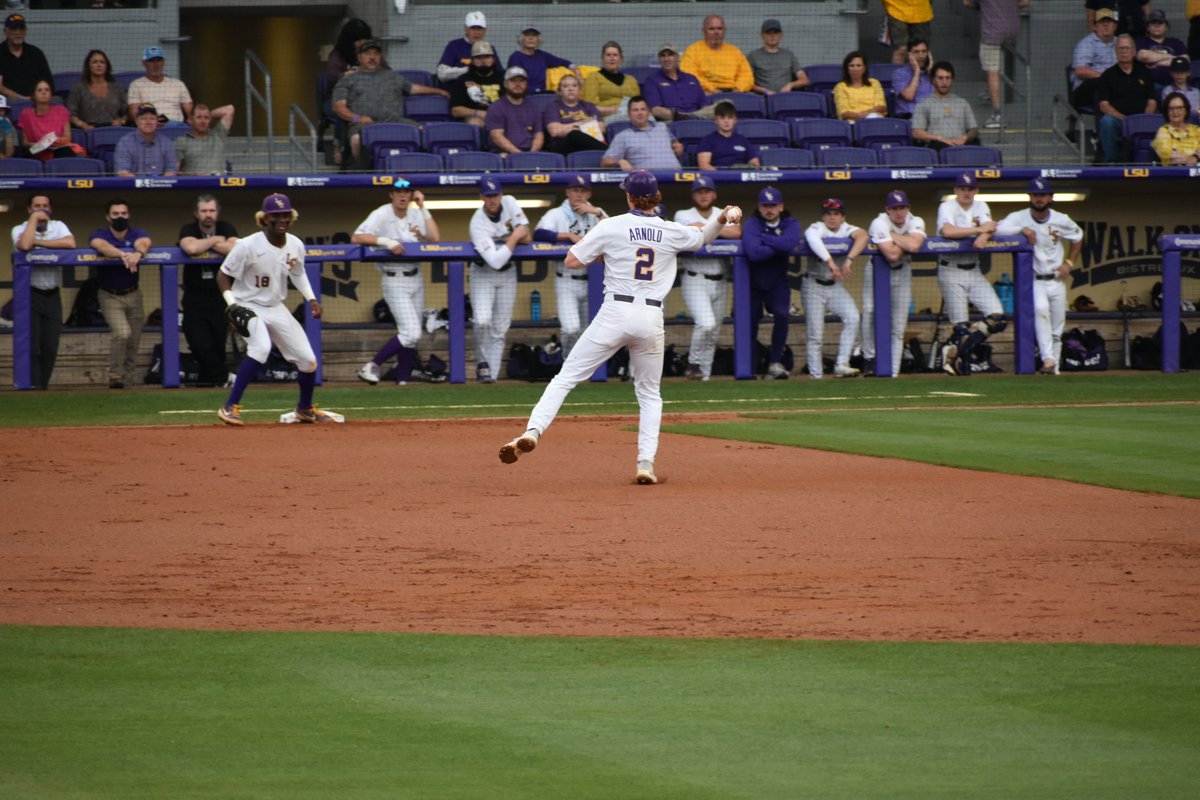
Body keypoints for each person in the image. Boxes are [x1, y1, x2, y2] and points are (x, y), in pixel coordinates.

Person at [498, 170, 741, 485]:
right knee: (649, 395)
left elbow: (572, 261)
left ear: (629, 196)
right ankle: (645, 465)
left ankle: (532, 431)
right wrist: (723, 216)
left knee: (566, 378)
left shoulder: (610, 225)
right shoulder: (669, 229)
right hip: (651, 316)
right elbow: (704, 237)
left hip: (615, 311)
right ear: (656, 198)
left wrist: (603, 256)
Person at [217, 194, 334, 425]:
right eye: (275, 215)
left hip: (275, 306)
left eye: (285, 215)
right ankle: (230, 407)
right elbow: (223, 276)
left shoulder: (296, 244)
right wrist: (232, 305)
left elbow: (298, 274)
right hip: (247, 304)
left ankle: (304, 409)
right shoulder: (248, 245)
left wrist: (311, 299)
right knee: (261, 347)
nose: (282, 219)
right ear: (264, 218)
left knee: (308, 360)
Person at [352, 177, 440, 386]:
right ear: (392, 194)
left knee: (410, 333)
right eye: (398, 192)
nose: (402, 195)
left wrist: (423, 206)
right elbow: (357, 237)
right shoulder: (382, 213)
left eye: (407, 192)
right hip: (394, 278)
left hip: (415, 276)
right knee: (411, 332)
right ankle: (372, 365)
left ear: (411, 195)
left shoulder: (416, 213)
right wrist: (387, 242)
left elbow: (435, 238)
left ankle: (402, 380)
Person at [995, 178, 1084, 375]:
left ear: (1051, 197)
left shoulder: (1061, 219)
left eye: (1043, 195)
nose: (1039, 199)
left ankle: (1054, 369)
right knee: (1040, 310)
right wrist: (1022, 230)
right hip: (1035, 279)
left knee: (1057, 327)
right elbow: (998, 228)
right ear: (1030, 197)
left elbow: (1078, 236)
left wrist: (1069, 263)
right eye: (1036, 195)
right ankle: (1048, 358)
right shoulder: (1020, 217)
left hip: (1057, 279)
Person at [934, 173, 1008, 376]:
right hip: (950, 270)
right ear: (956, 190)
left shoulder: (981, 205)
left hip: (973, 270)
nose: (966, 192)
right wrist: (978, 230)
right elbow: (947, 231)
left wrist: (984, 234)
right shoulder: (947, 206)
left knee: (998, 318)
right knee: (960, 328)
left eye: (970, 189)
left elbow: (991, 226)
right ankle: (959, 364)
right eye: (962, 189)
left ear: (976, 191)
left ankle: (952, 350)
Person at [333, 39, 447, 166]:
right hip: (364, 123)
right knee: (356, 139)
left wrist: (439, 91)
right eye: (368, 54)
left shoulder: (392, 75)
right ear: (359, 57)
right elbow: (338, 107)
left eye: (376, 54)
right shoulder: (348, 80)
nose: (372, 57)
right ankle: (363, 170)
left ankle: (422, 167)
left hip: (396, 121)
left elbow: (413, 88)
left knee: (425, 131)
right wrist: (357, 118)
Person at [673, 175, 742, 381]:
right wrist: (719, 227)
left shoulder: (723, 211)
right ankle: (693, 362)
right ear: (693, 195)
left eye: (707, 191)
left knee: (714, 332)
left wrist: (707, 227)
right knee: (706, 323)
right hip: (695, 278)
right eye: (699, 192)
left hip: (720, 280)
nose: (703, 195)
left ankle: (704, 376)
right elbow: (689, 231)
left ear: (714, 194)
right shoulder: (682, 214)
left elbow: (736, 232)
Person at [533, 173, 609, 357]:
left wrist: (598, 212)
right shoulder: (557, 214)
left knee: (590, 330)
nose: (579, 194)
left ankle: (584, 369)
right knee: (571, 328)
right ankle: (568, 362)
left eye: (583, 191)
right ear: (568, 192)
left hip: (594, 280)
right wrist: (566, 236)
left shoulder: (596, 213)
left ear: (589, 194)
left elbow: (615, 231)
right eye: (575, 190)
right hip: (566, 280)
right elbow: (539, 234)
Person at [469, 176, 530, 384]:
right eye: (488, 196)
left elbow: (528, 235)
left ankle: (491, 376)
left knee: (500, 326)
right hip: (484, 273)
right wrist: (514, 237)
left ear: (501, 195)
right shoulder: (477, 222)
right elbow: (495, 260)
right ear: (482, 197)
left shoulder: (510, 202)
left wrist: (510, 240)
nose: (493, 199)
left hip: (508, 272)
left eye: (495, 195)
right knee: (482, 320)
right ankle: (482, 364)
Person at [12, 194, 75, 390]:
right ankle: (31, 385)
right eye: (37, 206)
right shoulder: (20, 228)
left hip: (52, 294)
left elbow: (70, 244)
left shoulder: (58, 226)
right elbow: (24, 245)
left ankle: (42, 388)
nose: (41, 209)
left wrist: (39, 244)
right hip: (28, 295)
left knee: (50, 346)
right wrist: (34, 220)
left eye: (45, 206)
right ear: (29, 209)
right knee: (31, 346)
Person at [89, 199, 152, 390]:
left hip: (133, 294)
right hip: (109, 295)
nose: (120, 217)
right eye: (116, 214)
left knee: (134, 340)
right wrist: (123, 254)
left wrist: (138, 253)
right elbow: (99, 245)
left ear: (128, 215)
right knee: (122, 333)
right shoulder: (101, 234)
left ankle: (129, 380)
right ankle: (115, 376)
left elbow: (145, 242)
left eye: (123, 214)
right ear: (108, 217)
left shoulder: (136, 233)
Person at [802, 198, 868, 380]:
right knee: (815, 334)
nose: (832, 217)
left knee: (853, 317)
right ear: (823, 216)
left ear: (842, 217)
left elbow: (863, 236)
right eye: (828, 214)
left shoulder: (847, 228)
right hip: (813, 285)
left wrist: (850, 259)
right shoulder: (817, 227)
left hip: (834, 287)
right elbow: (812, 238)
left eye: (836, 214)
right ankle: (816, 376)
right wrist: (831, 263)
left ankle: (841, 364)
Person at [178, 195, 240, 387]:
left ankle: (209, 385)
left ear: (217, 212)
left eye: (211, 211)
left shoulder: (226, 227)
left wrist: (209, 243)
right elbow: (191, 247)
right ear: (197, 214)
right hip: (195, 297)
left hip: (220, 296)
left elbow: (237, 248)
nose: (208, 215)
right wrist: (215, 241)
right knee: (199, 343)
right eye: (204, 211)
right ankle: (225, 377)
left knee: (218, 345)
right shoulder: (189, 229)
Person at [863, 190, 926, 378]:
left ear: (908, 208)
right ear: (887, 210)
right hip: (877, 270)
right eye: (895, 208)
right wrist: (905, 240)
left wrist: (892, 237)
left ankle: (893, 372)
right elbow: (891, 256)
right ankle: (869, 357)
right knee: (869, 310)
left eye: (903, 208)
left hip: (903, 271)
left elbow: (913, 247)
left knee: (898, 325)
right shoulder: (879, 222)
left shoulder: (916, 220)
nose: (899, 212)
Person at [743, 186, 801, 380]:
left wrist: (765, 239)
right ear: (759, 207)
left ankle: (775, 363)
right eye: (765, 205)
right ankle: (749, 367)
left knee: (783, 315)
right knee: (749, 323)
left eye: (773, 205)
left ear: (781, 206)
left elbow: (789, 244)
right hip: (752, 282)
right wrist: (779, 244)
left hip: (778, 282)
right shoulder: (752, 223)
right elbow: (754, 253)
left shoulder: (790, 222)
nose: (769, 209)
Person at [1095, 34, 1157, 162]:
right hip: (1119, 121)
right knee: (1106, 121)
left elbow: (1152, 101)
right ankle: (1110, 162)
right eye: (1120, 48)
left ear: (1134, 51)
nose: (1124, 51)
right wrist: (1124, 119)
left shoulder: (1145, 72)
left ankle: (1150, 162)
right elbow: (1104, 105)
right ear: (1116, 52)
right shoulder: (1107, 75)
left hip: (1142, 120)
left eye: (1127, 48)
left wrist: (1144, 118)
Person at [969, 0, 1028, 129]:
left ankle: (997, 114)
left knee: (992, 71)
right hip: (1012, 30)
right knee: (997, 63)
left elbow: (968, 3)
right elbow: (1025, 2)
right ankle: (990, 91)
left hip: (992, 31)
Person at [601, 96, 683, 171]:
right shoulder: (623, 136)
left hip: (677, 177)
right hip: (647, 180)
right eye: (635, 110)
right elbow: (605, 162)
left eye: (643, 109)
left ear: (649, 112)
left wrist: (677, 144)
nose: (640, 113)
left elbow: (674, 142)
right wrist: (619, 161)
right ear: (629, 114)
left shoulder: (662, 127)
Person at [911, 61, 979, 151]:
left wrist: (964, 138)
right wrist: (938, 138)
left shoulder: (962, 103)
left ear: (952, 80)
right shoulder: (923, 104)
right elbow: (916, 132)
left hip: (960, 145)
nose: (944, 82)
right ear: (933, 80)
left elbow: (974, 130)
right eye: (940, 78)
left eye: (948, 78)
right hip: (937, 145)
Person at [680, 14, 754, 94]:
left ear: (724, 30)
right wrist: (712, 90)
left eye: (720, 28)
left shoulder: (734, 51)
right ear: (703, 31)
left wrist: (738, 89)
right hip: (705, 93)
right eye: (711, 29)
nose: (716, 32)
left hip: (733, 92)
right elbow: (689, 76)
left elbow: (747, 76)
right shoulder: (693, 50)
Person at [642, 42, 713, 122]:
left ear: (677, 58)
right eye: (663, 56)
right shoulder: (652, 80)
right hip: (672, 121)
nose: (666, 59)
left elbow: (704, 104)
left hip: (697, 118)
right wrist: (680, 117)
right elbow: (655, 109)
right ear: (659, 59)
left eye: (670, 55)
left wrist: (700, 115)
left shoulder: (691, 79)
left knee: (724, 104)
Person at [541, 73, 607, 155]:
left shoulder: (589, 106)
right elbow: (555, 131)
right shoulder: (553, 106)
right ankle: (607, 153)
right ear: (560, 91)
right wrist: (587, 124)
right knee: (574, 135)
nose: (570, 89)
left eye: (574, 86)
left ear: (579, 90)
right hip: (563, 145)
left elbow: (601, 128)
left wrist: (571, 128)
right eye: (565, 86)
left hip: (589, 143)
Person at [127, 45, 193, 126]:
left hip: (176, 128)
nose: (156, 64)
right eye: (151, 61)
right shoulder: (136, 85)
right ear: (144, 63)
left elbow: (190, 111)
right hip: (150, 127)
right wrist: (151, 122)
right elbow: (134, 113)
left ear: (164, 62)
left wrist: (193, 119)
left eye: (159, 60)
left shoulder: (178, 84)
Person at [17, 79, 80, 161]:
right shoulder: (26, 114)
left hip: (58, 150)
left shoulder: (61, 111)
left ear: (51, 94)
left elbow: (67, 138)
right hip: (36, 151)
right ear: (33, 95)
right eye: (39, 90)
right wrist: (39, 145)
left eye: (47, 90)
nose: (44, 93)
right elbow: (25, 143)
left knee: (66, 152)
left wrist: (51, 141)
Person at [486, 66, 544, 154]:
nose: (518, 84)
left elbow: (539, 134)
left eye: (521, 81)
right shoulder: (496, 107)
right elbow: (497, 136)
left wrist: (532, 154)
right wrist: (518, 155)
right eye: (513, 81)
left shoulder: (533, 107)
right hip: (504, 152)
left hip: (530, 152)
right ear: (505, 84)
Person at [67, 49, 129, 132]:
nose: (99, 65)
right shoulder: (79, 88)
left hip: (113, 130)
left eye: (102, 62)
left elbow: (127, 113)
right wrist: (83, 125)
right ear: (89, 66)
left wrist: (121, 121)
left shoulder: (117, 88)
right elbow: (70, 114)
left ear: (107, 66)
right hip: (88, 131)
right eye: (95, 62)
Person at [507, 24, 577, 95]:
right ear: (521, 39)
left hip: (543, 94)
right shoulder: (515, 57)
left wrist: (576, 71)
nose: (531, 38)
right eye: (527, 35)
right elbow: (516, 81)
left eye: (534, 35)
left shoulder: (542, 55)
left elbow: (564, 62)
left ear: (538, 40)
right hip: (525, 96)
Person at [448, 40, 503, 128]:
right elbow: (455, 111)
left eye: (486, 57)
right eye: (479, 57)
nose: (483, 61)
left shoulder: (504, 79)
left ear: (493, 59)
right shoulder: (463, 80)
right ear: (472, 61)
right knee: (475, 122)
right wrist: (479, 113)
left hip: (502, 117)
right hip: (477, 118)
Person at [1071, 9, 1119, 109]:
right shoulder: (1086, 44)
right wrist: (1106, 78)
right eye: (1102, 22)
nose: (1105, 25)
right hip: (1086, 90)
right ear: (1095, 26)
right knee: (1101, 85)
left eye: (1109, 22)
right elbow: (1080, 71)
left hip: (1114, 87)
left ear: (1115, 26)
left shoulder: (1119, 43)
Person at [747, 19, 810, 95]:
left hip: (785, 97)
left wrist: (790, 85)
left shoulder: (789, 55)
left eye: (776, 33)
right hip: (763, 98)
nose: (772, 36)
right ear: (762, 35)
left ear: (781, 35)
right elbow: (746, 82)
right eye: (768, 33)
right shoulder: (753, 56)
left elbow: (804, 80)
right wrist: (765, 91)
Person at [114, 103, 177, 176]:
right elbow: (122, 172)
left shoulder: (166, 143)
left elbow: (171, 171)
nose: (148, 122)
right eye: (143, 118)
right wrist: (142, 184)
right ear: (137, 121)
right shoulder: (125, 143)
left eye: (152, 119)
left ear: (157, 122)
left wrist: (159, 184)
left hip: (161, 186)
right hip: (132, 186)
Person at [0, 14, 51, 104]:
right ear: (6, 31)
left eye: (21, 29)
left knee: (56, 100)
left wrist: (36, 97)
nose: (18, 32)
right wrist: (21, 98)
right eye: (14, 29)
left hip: (36, 101)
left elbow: (47, 81)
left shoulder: (36, 53)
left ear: (25, 31)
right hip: (7, 102)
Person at [582, 41, 640, 119]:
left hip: (632, 117)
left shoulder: (631, 80)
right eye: (608, 55)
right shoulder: (593, 77)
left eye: (615, 55)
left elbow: (639, 104)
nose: (612, 58)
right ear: (603, 58)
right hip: (608, 119)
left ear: (621, 59)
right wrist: (617, 110)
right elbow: (590, 108)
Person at [696, 100, 761, 170]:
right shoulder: (707, 140)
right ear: (716, 120)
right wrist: (724, 176)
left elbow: (755, 163)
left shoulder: (742, 140)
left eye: (730, 118)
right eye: (722, 118)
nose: (726, 121)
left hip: (740, 177)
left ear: (735, 120)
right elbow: (704, 165)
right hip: (718, 178)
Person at [175, 103, 235, 175]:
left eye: (206, 118)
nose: (203, 121)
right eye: (199, 117)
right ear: (190, 120)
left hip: (218, 184)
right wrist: (194, 175)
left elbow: (229, 109)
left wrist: (210, 115)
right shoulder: (181, 141)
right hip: (194, 184)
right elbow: (174, 173)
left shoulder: (218, 135)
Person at [437, 10, 492, 85]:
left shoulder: (489, 48)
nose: (476, 32)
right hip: (458, 90)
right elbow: (442, 74)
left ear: (485, 30)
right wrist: (470, 70)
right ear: (465, 29)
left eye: (479, 28)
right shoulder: (454, 46)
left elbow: (499, 73)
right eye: (472, 28)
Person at [1136, 9, 1188, 86]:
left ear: (1166, 27)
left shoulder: (1175, 42)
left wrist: (1157, 63)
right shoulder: (1141, 41)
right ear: (1148, 27)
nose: (1157, 26)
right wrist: (1172, 57)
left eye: (1160, 23)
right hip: (1150, 84)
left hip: (1174, 84)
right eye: (1153, 23)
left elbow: (1186, 60)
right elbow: (1144, 56)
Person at [833, 51, 888, 122]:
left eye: (858, 65)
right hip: (852, 123)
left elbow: (881, 107)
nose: (855, 69)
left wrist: (867, 113)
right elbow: (843, 113)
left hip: (873, 119)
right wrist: (859, 116)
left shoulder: (874, 83)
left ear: (864, 68)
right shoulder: (840, 87)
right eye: (851, 66)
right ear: (847, 69)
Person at [1152, 91, 1200, 164]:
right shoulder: (1163, 131)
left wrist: (1194, 157)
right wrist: (1195, 157)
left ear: (1186, 110)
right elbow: (1170, 157)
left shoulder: (1196, 130)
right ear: (1166, 111)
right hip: (1172, 173)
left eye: (1179, 108)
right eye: (1171, 109)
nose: (1175, 112)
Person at [891, 38, 934, 119]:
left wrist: (931, 72)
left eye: (924, 51)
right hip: (908, 119)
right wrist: (917, 71)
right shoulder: (899, 73)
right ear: (909, 55)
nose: (921, 56)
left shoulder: (932, 75)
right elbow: (909, 96)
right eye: (916, 52)